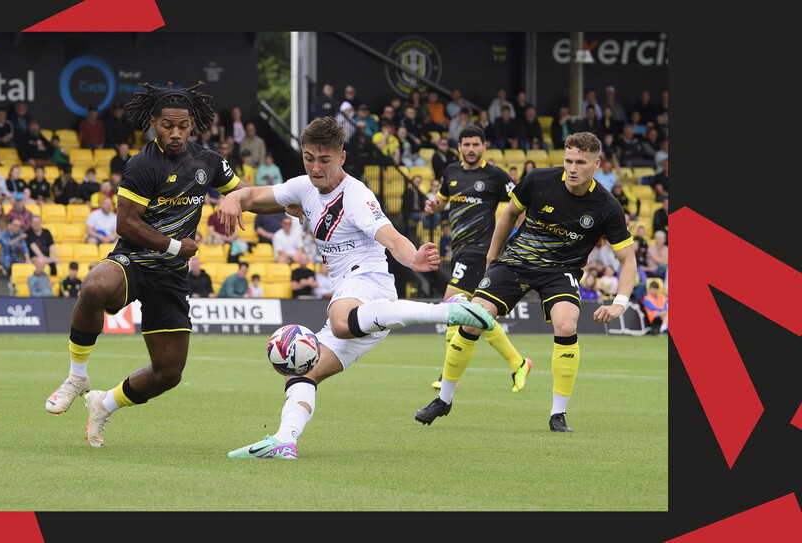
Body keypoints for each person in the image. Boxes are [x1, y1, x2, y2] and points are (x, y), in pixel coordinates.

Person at [218, 115, 496, 459]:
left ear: (342, 157)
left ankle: (446, 311)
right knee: (302, 374)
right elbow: (256, 196)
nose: (316, 168)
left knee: (338, 319)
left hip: (369, 284)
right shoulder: (303, 186)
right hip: (361, 307)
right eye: (309, 158)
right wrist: (234, 199)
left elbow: (391, 237)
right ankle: (284, 441)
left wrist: (413, 259)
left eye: (324, 160)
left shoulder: (356, 197)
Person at [42, 81, 291, 449]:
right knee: (95, 284)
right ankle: (77, 376)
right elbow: (125, 224)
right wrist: (176, 245)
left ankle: (103, 404)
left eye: (183, 127)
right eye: (167, 126)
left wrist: (294, 202)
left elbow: (248, 196)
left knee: (169, 373)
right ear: (154, 123)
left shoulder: (209, 163)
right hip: (135, 261)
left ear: (193, 125)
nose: (175, 134)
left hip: (171, 277)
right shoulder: (143, 164)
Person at [414, 132, 637, 433]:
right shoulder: (539, 180)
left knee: (566, 324)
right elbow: (509, 214)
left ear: (596, 164)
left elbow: (627, 259)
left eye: (580, 163)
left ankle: (558, 414)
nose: (572, 168)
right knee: (472, 318)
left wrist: (619, 303)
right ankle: (444, 399)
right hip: (516, 262)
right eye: (568, 160)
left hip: (560, 270)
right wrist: (493, 257)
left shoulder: (607, 206)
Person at [420, 125, 532, 390]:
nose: (471, 149)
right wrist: (434, 204)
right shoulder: (451, 172)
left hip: (479, 251)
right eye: (466, 144)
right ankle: (517, 362)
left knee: (451, 304)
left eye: (475, 144)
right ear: (459, 147)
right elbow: (442, 198)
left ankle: (451, 377)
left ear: (484, 146)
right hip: (460, 250)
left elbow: (522, 201)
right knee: (476, 313)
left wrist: (521, 234)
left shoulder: (494, 175)